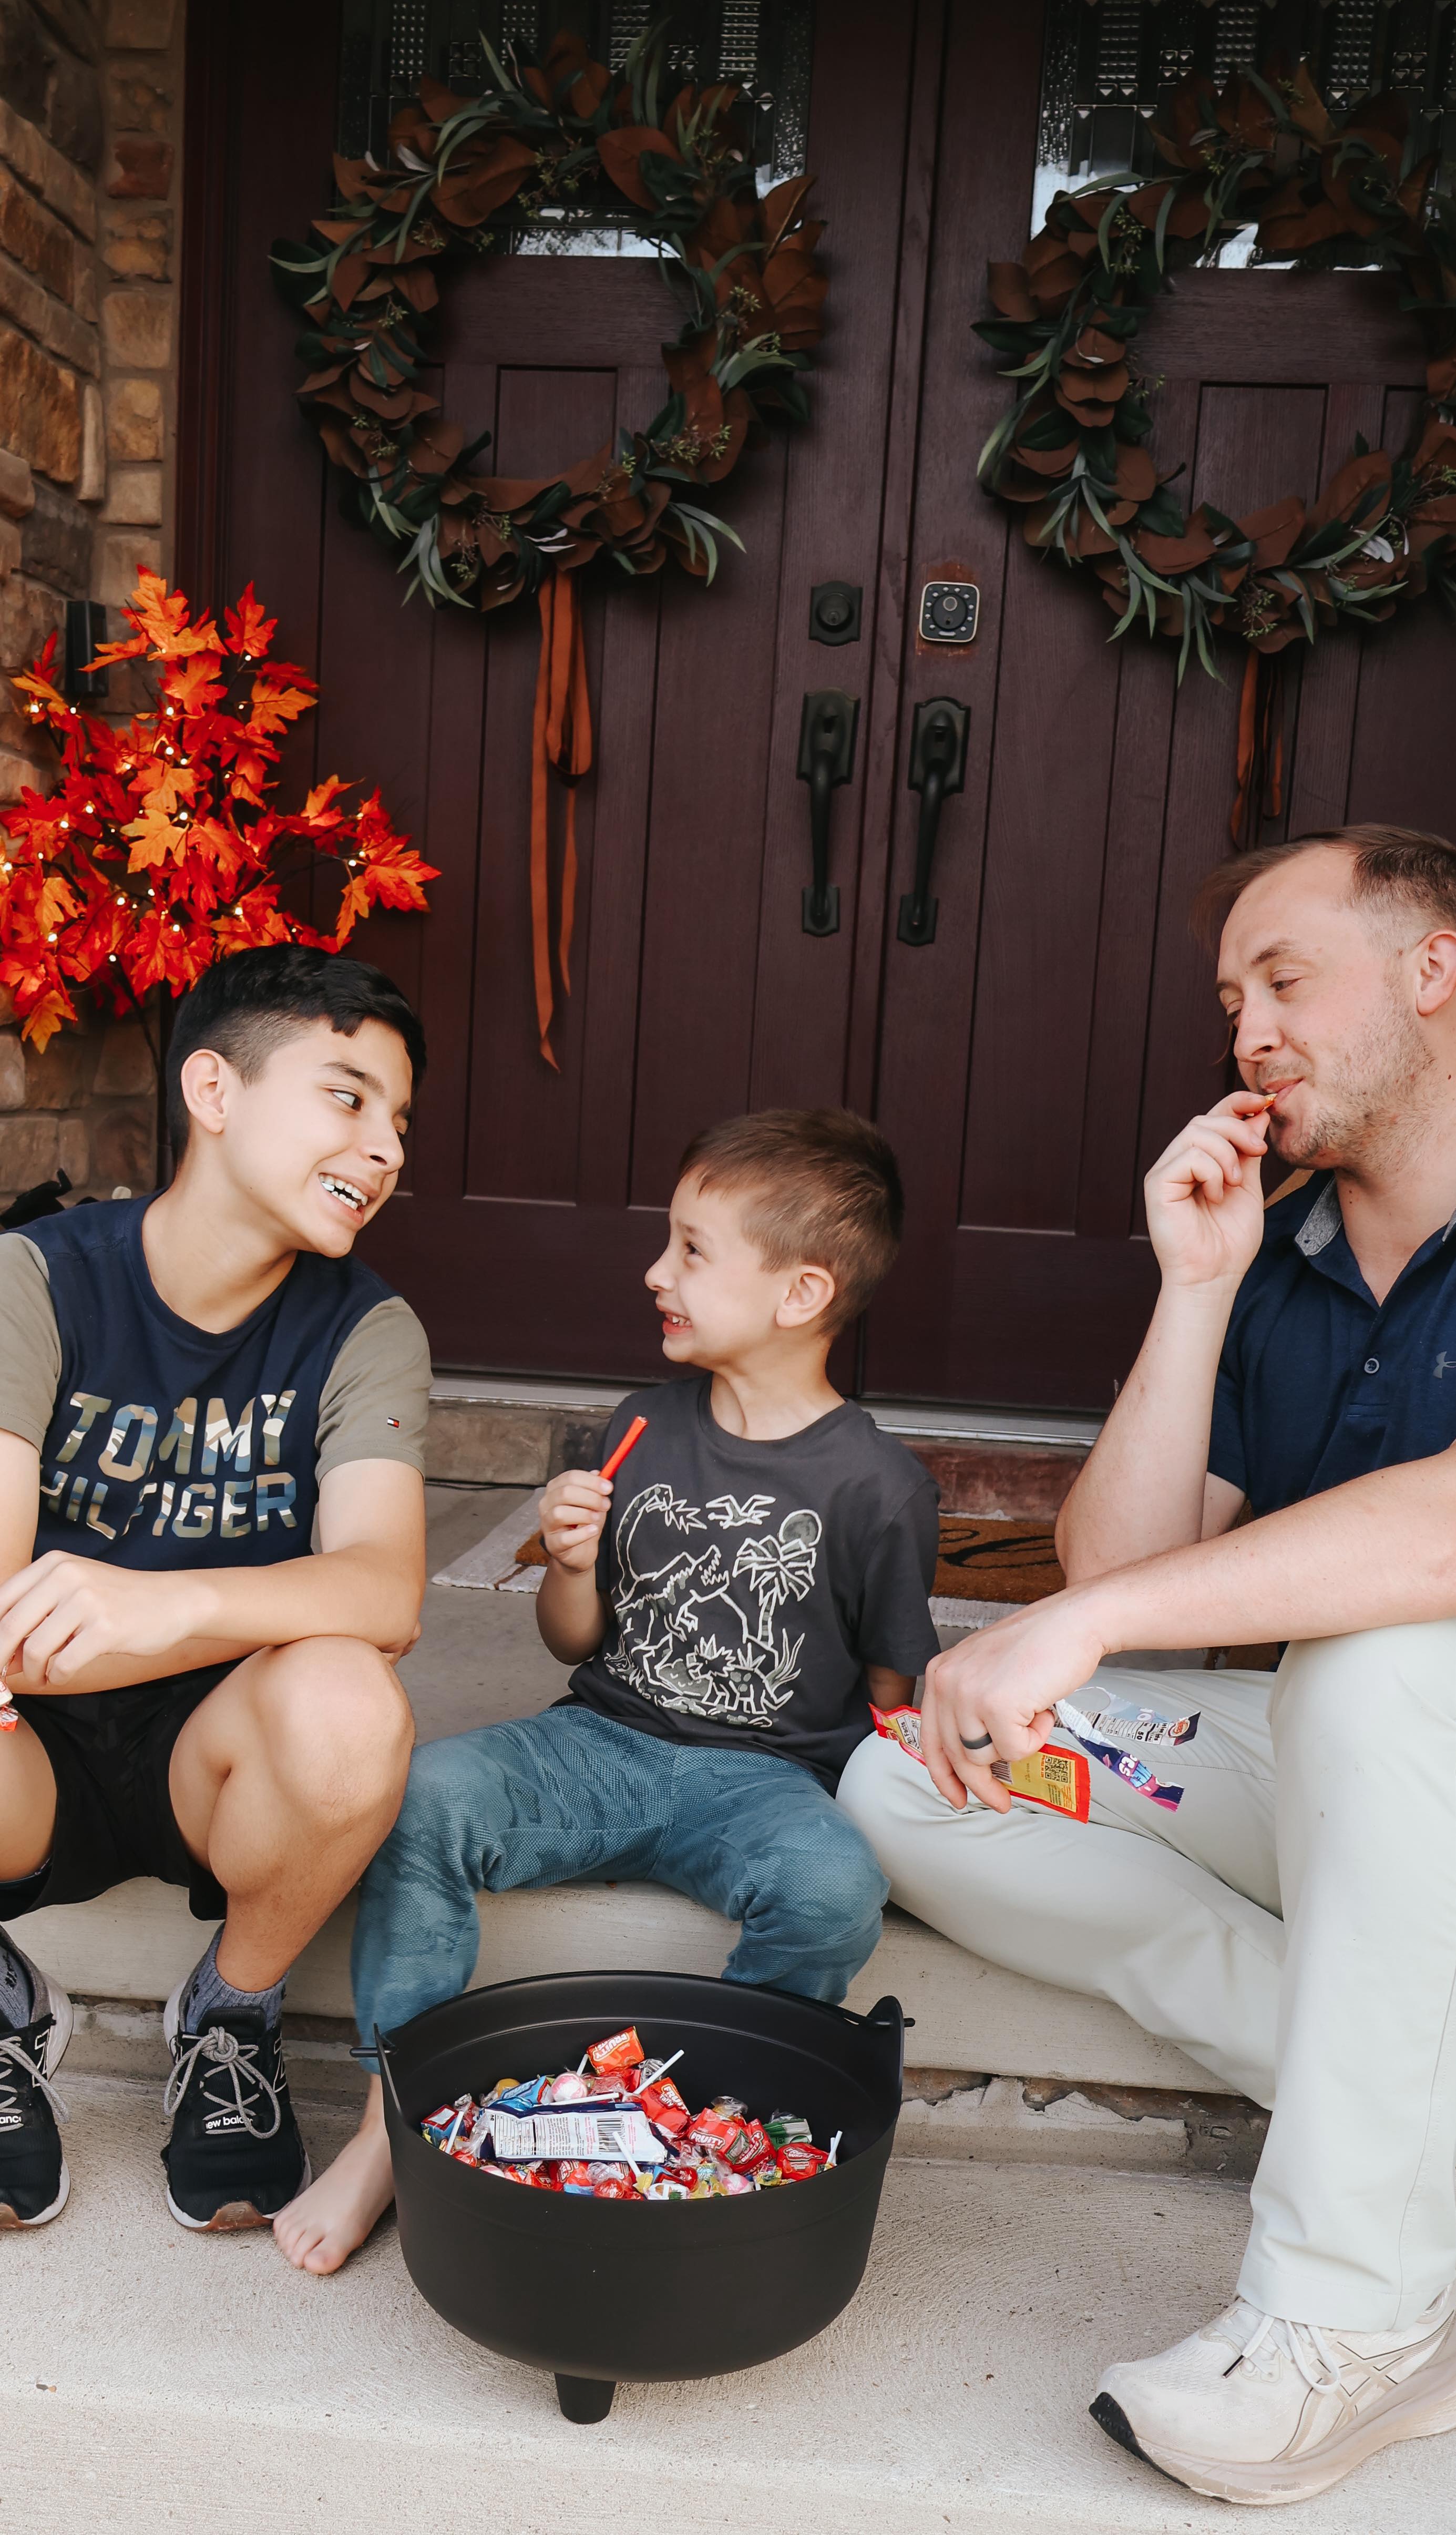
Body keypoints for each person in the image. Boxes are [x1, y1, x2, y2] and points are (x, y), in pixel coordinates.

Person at [839, 824, 1456, 2506]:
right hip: (1361, 1786)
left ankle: (1351, 2326)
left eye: (1284, 979)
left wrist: (1087, 1624)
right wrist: (1195, 1292)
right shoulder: (1295, 1255)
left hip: (1405, 1735)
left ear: (1431, 970)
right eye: (1230, 1001)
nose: (1248, 1031)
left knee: (1376, 1669)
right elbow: (1127, 1577)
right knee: (918, 1770)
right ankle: (1412, 2133)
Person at [274, 1106, 939, 2274]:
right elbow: (569, 1638)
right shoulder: (637, 1428)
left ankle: (707, 2129)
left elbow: (893, 1680)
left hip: (766, 1779)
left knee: (833, 1885)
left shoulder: (878, 1486)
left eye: (690, 1249)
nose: (654, 1273)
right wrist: (569, 1558)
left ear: (798, 1294)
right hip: (601, 1743)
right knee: (422, 1797)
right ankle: (393, 2122)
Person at [0, 945, 430, 2235]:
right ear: (213, 1089)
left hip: (220, 1756)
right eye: (348, 1098)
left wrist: (173, 1606)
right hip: (25, 1745)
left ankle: (228, 2016)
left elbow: (386, 1588)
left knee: (352, 1699)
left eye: (401, 1120)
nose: (387, 1148)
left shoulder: (365, 1328)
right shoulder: (37, 1279)